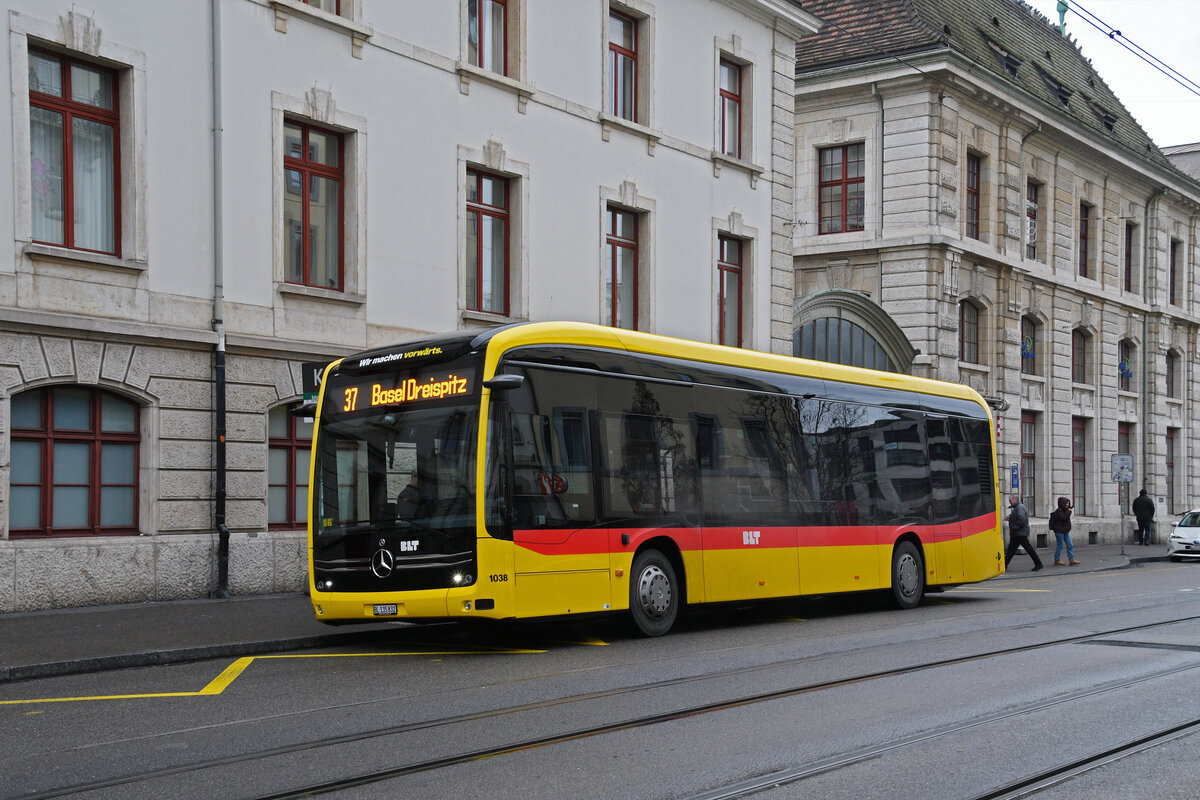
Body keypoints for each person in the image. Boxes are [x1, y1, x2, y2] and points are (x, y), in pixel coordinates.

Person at [1005, 494, 1043, 571]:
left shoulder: (1019, 507)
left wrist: (1014, 527)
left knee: (1027, 549)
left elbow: (1021, 520)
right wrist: (1011, 518)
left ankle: (1038, 564)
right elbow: (1019, 518)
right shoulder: (1018, 507)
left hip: (1020, 533)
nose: (1010, 502)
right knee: (1011, 550)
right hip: (1018, 533)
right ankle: (1004, 564)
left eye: (1010, 501)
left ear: (1015, 500)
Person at [1049, 495, 1079, 566]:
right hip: (1059, 531)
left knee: (1070, 545)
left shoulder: (1066, 510)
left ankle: (1071, 559)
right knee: (1060, 545)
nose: (1068, 504)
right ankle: (1057, 560)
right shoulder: (1059, 511)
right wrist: (1069, 511)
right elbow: (1064, 518)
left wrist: (1068, 510)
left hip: (1065, 531)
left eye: (1068, 503)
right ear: (1062, 503)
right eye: (1066, 503)